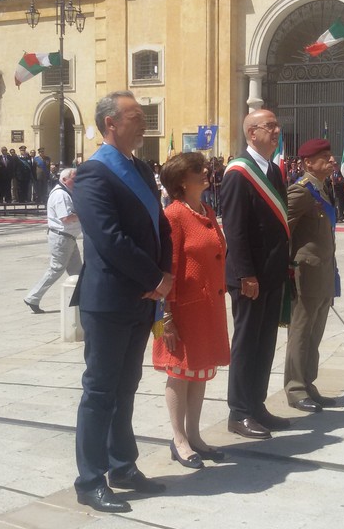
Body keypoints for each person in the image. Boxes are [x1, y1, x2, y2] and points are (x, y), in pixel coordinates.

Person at [71, 91, 173, 513]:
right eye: (135, 116)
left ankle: (122, 465)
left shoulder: (140, 167)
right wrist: (154, 277)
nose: (143, 122)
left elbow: (160, 226)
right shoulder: (93, 174)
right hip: (110, 299)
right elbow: (109, 239)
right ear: (111, 123)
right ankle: (90, 479)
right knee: (100, 391)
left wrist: (164, 276)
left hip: (142, 297)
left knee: (126, 387)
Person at [152, 152, 230, 470]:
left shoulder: (207, 210)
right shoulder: (173, 215)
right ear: (182, 180)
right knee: (178, 373)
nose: (206, 173)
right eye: (198, 170)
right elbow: (164, 268)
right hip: (178, 313)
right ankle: (178, 439)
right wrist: (164, 320)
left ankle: (195, 436)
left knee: (200, 372)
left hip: (207, 310)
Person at [221, 109, 291, 440]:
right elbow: (234, 230)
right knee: (247, 343)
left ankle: (257, 404)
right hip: (250, 278)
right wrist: (246, 273)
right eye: (270, 126)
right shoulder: (238, 173)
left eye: (277, 126)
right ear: (252, 133)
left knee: (266, 343)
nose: (277, 131)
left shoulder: (274, 171)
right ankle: (239, 411)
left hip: (272, 274)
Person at [284, 139, 339, 413]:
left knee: (315, 333)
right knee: (301, 333)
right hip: (305, 275)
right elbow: (282, 231)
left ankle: (308, 383)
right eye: (325, 157)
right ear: (308, 163)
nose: (332, 161)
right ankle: (295, 388)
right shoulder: (301, 192)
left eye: (331, 156)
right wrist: (286, 267)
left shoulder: (322, 189)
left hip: (323, 273)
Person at [24, 168, 82, 313]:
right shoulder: (60, 194)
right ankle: (33, 297)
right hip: (62, 237)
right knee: (56, 269)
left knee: (78, 272)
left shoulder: (67, 192)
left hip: (68, 237)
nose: (77, 181)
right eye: (74, 179)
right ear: (64, 180)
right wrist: (84, 214)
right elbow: (66, 218)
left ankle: (84, 300)